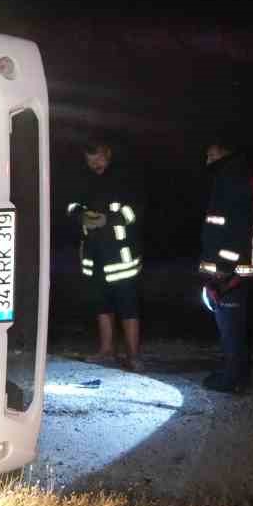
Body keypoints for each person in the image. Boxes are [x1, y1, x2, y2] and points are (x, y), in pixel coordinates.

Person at [67, 137, 143, 369]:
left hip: (121, 258)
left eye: (98, 157)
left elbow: (136, 211)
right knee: (101, 304)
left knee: (128, 306)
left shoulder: (125, 178)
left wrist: (107, 220)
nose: (95, 163)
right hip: (95, 255)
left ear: (108, 154)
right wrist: (80, 215)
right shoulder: (83, 179)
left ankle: (133, 356)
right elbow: (71, 206)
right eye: (90, 159)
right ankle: (106, 350)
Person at [199, 139, 253, 392]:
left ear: (224, 153)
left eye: (210, 154)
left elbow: (237, 231)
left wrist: (223, 270)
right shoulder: (235, 177)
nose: (207, 161)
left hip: (231, 270)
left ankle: (233, 378)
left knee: (231, 325)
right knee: (231, 325)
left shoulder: (232, 180)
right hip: (234, 266)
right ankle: (233, 370)